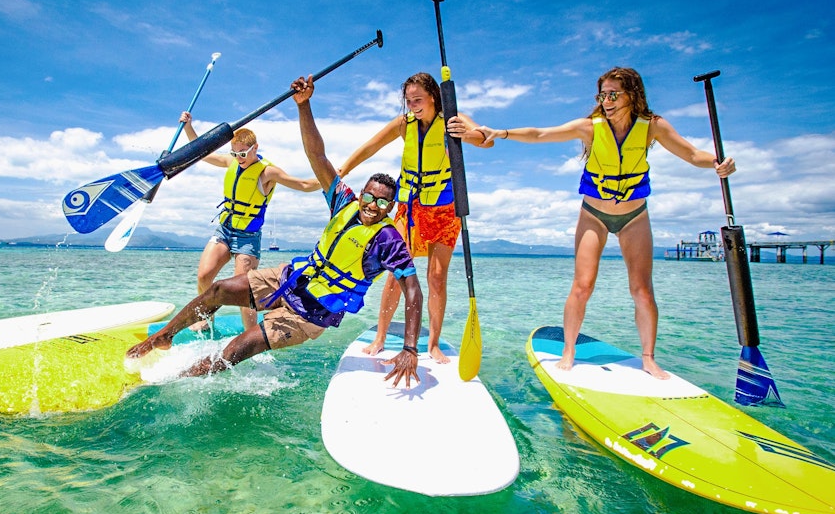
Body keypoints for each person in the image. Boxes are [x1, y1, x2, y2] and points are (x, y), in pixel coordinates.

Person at [127, 76, 425, 387]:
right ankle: (162, 338)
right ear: (360, 193)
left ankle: (166, 380)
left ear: (390, 207)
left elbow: (413, 291)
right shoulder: (343, 202)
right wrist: (304, 105)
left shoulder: (389, 240)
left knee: (236, 349)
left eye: (381, 202)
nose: (372, 205)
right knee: (216, 291)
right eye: (368, 196)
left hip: (311, 313)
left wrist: (409, 348)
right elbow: (317, 156)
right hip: (292, 278)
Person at [447, 66, 736, 379]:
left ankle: (649, 358)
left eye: (614, 94)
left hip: (634, 215)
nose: (607, 100)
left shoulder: (652, 126)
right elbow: (542, 133)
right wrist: (501, 133)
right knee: (582, 286)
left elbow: (692, 154)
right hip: (594, 215)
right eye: (602, 95)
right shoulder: (591, 128)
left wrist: (718, 164)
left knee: (642, 291)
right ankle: (568, 349)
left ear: (633, 95)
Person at [338, 72, 491, 363]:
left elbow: (487, 141)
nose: (412, 106)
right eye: (408, 101)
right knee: (396, 275)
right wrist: (342, 170)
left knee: (436, 278)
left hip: (445, 210)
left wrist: (464, 134)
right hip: (410, 211)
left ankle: (432, 344)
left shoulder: (453, 118)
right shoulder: (404, 125)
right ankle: (380, 338)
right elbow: (371, 146)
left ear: (433, 96)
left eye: (417, 100)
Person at [179, 111, 320, 331]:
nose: (238, 159)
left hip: (248, 238)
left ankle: (250, 335)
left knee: (242, 290)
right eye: (234, 154)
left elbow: (303, 185)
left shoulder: (267, 172)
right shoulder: (231, 162)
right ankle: (207, 321)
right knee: (204, 276)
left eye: (243, 154)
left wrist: (331, 176)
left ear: (255, 148)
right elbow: (202, 153)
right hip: (225, 230)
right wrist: (188, 127)